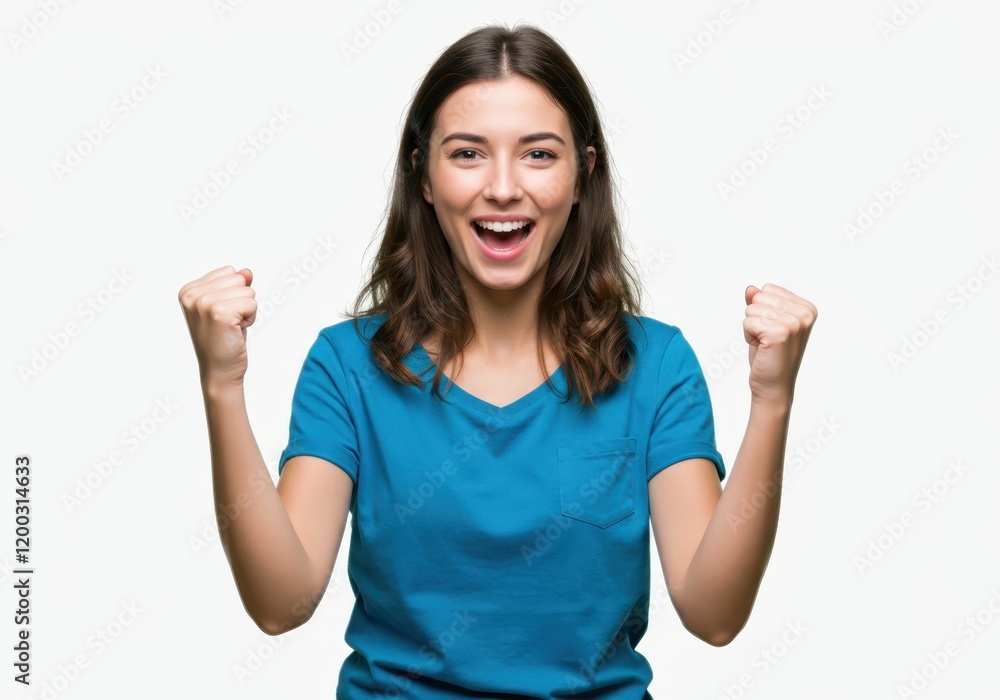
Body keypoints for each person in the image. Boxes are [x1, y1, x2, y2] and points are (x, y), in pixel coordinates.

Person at [178, 21, 817, 699]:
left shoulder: (655, 365)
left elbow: (714, 615)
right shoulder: (347, 367)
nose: (504, 188)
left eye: (539, 154)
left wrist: (772, 401)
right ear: (424, 176)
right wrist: (222, 384)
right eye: (468, 154)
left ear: (582, 175)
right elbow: (280, 603)